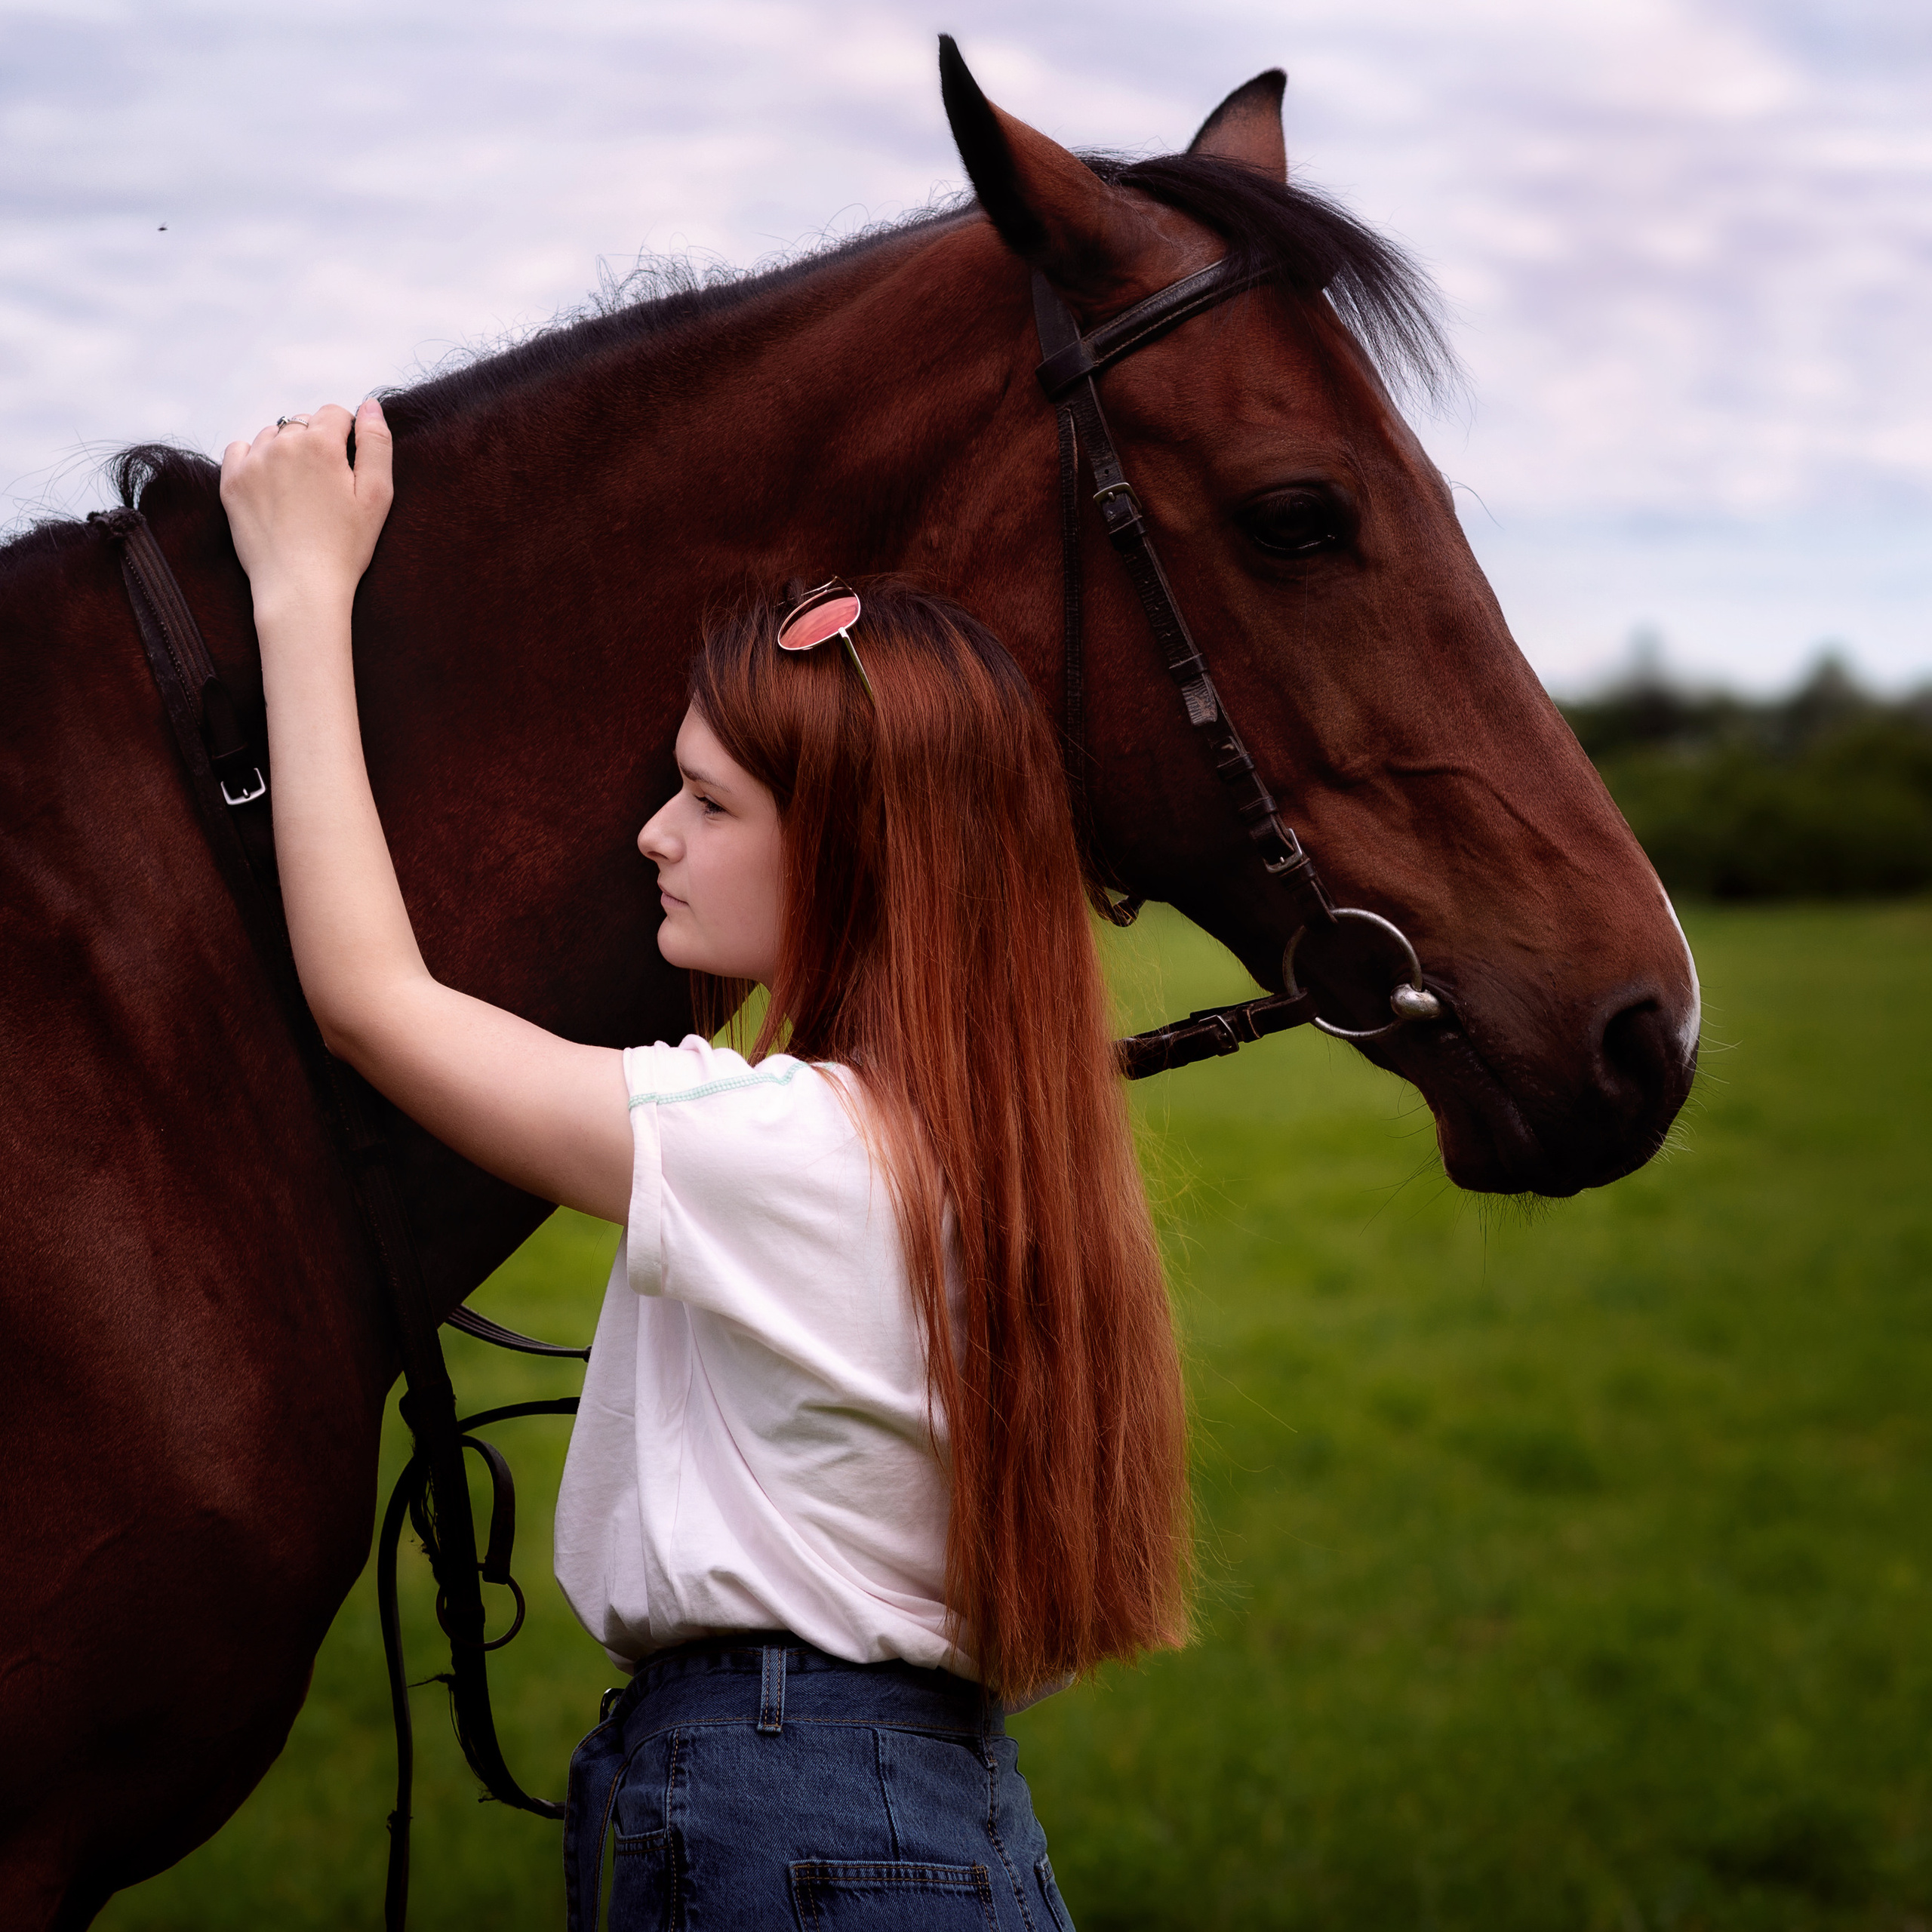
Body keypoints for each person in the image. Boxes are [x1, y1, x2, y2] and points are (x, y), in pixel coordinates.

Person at [221, 396, 1190, 1931]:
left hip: (780, 1806)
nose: (654, 835)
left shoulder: (785, 1146)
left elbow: (368, 1001)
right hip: (919, 1802)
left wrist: (296, 591)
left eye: (710, 800)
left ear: (858, 851)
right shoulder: (982, 1145)